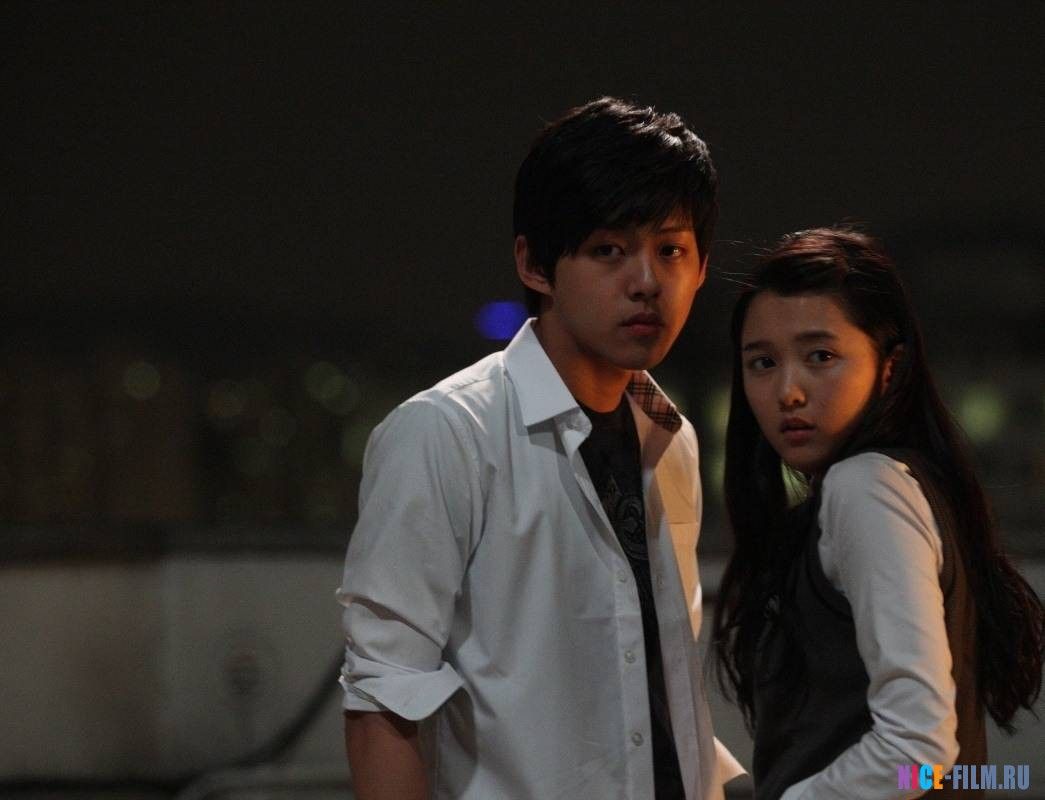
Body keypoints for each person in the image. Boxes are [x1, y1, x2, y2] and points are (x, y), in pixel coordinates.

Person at [337, 96, 744, 799]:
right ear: (534, 265)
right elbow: (383, 700)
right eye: (609, 249)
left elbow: (657, 690)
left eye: (671, 250)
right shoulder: (447, 433)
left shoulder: (670, 440)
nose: (647, 282)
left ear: (702, 267)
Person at [711, 227, 1044, 799]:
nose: (788, 391)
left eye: (821, 356)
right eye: (762, 362)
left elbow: (919, 748)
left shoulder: (866, 487)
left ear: (890, 367)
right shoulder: (900, 485)